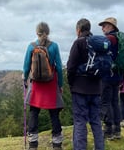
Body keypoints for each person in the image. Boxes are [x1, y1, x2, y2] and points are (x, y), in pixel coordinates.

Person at [23, 22, 64, 150]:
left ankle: (33, 144)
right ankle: (57, 144)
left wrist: (25, 79)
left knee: (34, 112)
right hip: (51, 84)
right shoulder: (54, 46)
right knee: (54, 113)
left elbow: (26, 67)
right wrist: (60, 84)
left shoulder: (31, 46)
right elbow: (59, 68)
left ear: (37, 33)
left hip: (36, 85)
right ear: (48, 32)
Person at [67, 18, 104, 150]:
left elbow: (70, 67)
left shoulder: (78, 43)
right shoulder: (98, 44)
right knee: (96, 121)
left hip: (80, 89)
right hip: (96, 88)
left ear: (78, 29)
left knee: (80, 121)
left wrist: (71, 85)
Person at [98, 17, 122, 140]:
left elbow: (100, 50)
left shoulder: (110, 38)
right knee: (114, 102)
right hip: (117, 75)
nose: (102, 28)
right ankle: (117, 129)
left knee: (105, 102)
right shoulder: (118, 39)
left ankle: (108, 130)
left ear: (111, 27)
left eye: (105, 26)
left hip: (107, 75)